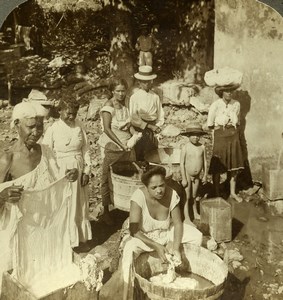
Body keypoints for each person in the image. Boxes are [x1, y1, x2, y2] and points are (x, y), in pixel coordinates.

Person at [0, 102, 78, 294]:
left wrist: (68, 176)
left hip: (45, 229)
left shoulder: (47, 153)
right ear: (17, 124)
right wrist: (2, 196)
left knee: (46, 279)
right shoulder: (7, 159)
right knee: (16, 280)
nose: (36, 131)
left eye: (40, 126)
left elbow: (56, 181)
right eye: (31, 126)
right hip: (18, 233)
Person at [100, 166, 203, 300]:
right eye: (154, 187)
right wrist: (157, 246)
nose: (159, 190)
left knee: (196, 236)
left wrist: (176, 246)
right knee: (129, 250)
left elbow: (178, 223)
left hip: (165, 232)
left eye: (161, 185)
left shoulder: (172, 194)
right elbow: (134, 230)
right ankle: (128, 293)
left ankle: (179, 269)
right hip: (143, 236)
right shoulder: (138, 197)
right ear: (146, 188)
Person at [42, 99, 92, 248]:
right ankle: (64, 241)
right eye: (68, 113)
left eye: (74, 113)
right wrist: (57, 172)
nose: (71, 116)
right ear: (60, 111)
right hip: (60, 170)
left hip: (78, 167)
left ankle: (79, 239)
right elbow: (46, 153)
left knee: (79, 204)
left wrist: (87, 171)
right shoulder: (53, 129)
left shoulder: (79, 126)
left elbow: (86, 149)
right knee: (64, 203)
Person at [98, 78, 138, 225]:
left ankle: (127, 207)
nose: (121, 94)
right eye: (118, 91)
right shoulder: (108, 106)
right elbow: (107, 129)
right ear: (112, 91)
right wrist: (120, 143)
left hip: (127, 145)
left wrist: (134, 134)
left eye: (123, 90)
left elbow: (129, 125)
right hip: (112, 146)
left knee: (127, 175)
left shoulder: (126, 103)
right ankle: (106, 210)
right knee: (106, 176)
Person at [207, 84, 244, 202]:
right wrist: (220, 130)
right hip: (220, 135)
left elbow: (237, 122)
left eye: (231, 91)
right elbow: (210, 123)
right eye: (226, 91)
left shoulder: (236, 104)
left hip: (233, 135)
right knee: (218, 164)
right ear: (221, 92)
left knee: (234, 165)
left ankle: (232, 192)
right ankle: (217, 192)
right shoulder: (216, 105)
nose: (229, 93)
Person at [129, 65, 165, 161]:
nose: (146, 84)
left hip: (153, 128)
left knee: (152, 153)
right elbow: (133, 117)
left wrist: (157, 126)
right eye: (144, 82)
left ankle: (152, 173)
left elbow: (160, 113)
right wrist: (148, 126)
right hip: (140, 128)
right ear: (139, 82)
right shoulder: (135, 97)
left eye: (148, 81)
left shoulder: (155, 97)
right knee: (140, 154)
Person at [180, 124, 208, 223]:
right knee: (187, 196)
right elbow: (182, 163)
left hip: (197, 176)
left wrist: (205, 175)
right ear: (188, 136)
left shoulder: (202, 147)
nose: (195, 137)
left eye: (198, 135)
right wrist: (183, 178)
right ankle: (187, 217)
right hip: (188, 174)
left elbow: (205, 161)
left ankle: (195, 212)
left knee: (194, 195)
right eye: (193, 135)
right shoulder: (185, 147)